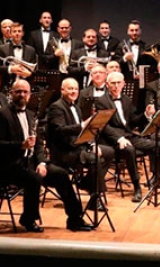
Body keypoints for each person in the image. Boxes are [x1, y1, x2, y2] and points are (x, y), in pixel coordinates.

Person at [0, 79, 92, 232]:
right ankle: (28, 219)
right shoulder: (1, 115)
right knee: (33, 178)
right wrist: (20, 146)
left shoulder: (31, 115)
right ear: (11, 93)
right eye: (18, 91)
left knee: (61, 174)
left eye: (25, 92)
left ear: (30, 95)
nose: (22, 94)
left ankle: (75, 219)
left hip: (30, 163)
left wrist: (42, 162)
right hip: (8, 165)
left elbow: (37, 144)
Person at [97, 71, 160, 202]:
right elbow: (104, 126)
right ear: (107, 84)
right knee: (129, 150)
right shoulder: (101, 101)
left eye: (118, 83)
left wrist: (146, 114)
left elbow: (133, 121)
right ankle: (137, 187)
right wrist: (119, 138)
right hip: (112, 140)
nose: (116, 86)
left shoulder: (126, 100)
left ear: (123, 84)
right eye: (113, 83)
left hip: (128, 136)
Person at [45, 77, 115, 210]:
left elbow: (83, 132)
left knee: (109, 152)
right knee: (95, 159)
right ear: (62, 90)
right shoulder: (56, 107)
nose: (73, 91)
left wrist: (91, 145)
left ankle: (85, 182)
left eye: (76, 89)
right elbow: (60, 131)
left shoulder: (76, 107)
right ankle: (95, 197)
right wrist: (82, 125)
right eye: (70, 88)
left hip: (78, 147)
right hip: (65, 151)